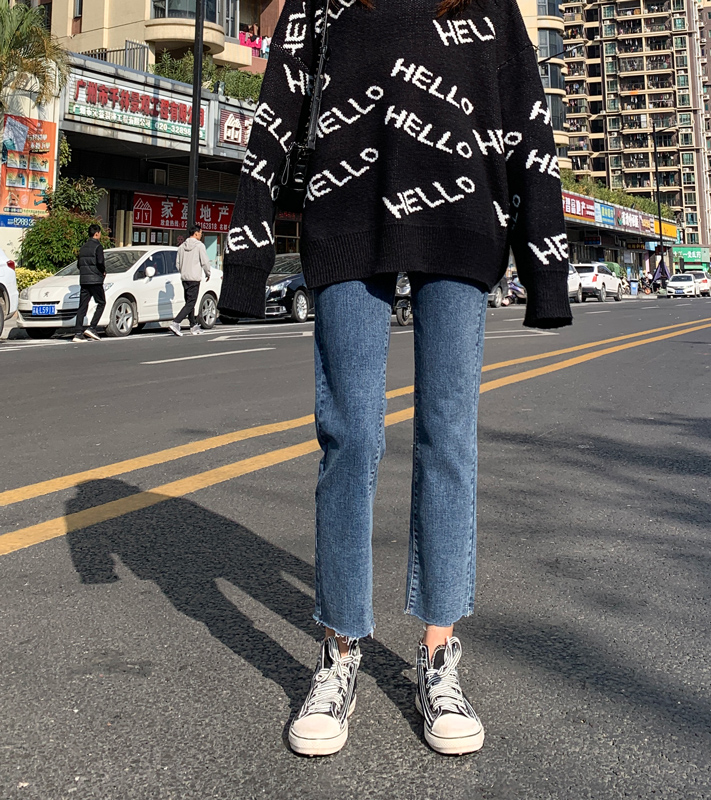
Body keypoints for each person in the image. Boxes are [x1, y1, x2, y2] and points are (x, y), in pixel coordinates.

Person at [218, 0, 572, 757]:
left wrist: (547, 271)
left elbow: (528, 123)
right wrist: (247, 262)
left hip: (464, 223)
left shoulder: (487, 5)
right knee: (349, 435)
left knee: (448, 435)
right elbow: (278, 108)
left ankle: (439, 654)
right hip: (346, 217)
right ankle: (339, 649)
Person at [170, 224, 211, 337]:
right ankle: (176, 322)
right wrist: (208, 273)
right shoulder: (200, 246)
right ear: (196, 233)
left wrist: (183, 271)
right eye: (201, 233)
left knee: (189, 302)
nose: (201, 235)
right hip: (194, 278)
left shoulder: (181, 247)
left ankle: (193, 325)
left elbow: (177, 264)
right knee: (191, 303)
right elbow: (205, 262)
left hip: (184, 278)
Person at [73, 223, 106, 342]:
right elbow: (100, 262)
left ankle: (78, 333)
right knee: (101, 303)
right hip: (95, 280)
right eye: (100, 233)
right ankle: (92, 327)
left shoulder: (83, 247)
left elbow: (79, 265)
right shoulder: (98, 247)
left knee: (82, 306)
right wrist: (103, 271)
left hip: (84, 280)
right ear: (96, 233)